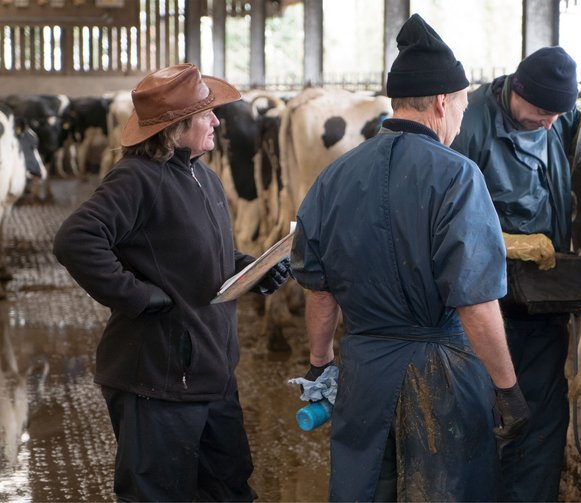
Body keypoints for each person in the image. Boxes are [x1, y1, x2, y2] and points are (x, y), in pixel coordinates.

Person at [290, 13, 530, 502]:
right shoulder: (459, 177)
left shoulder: (333, 178)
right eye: (462, 106)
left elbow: (321, 290)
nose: (462, 119)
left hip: (364, 374)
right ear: (443, 102)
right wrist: (507, 388)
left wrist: (320, 362)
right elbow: (476, 302)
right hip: (441, 374)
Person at [52, 63, 292, 502]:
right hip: (158, 381)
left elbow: (200, 255)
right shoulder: (136, 178)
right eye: (207, 114)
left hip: (211, 374)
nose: (218, 121)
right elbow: (75, 240)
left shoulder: (204, 175)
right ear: (178, 128)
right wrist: (137, 296)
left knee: (228, 489)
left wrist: (254, 269)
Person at [450, 46, 581, 501]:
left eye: (557, 114)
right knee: (485, 419)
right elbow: (444, 222)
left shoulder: (556, 117)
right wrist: (509, 244)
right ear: (516, 90)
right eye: (542, 111)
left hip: (544, 303)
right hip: (484, 309)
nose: (548, 122)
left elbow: (571, 126)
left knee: (544, 423)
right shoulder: (470, 126)